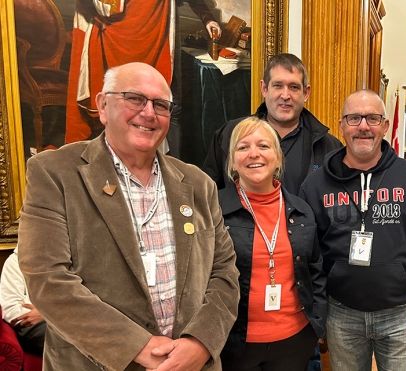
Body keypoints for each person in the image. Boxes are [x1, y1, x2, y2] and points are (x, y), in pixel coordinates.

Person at [17, 62, 240, 371]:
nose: (149, 113)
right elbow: (47, 280)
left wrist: (200, 342)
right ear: (102, 106)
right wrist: (137, 345)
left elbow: (224, 272)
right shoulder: (55, 173)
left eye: (161, 105)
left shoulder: (198, 184)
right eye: (135, 98)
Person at [300, 89, 406, 371]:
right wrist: (317, 311)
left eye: (372, 118)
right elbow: (309, 255)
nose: (364, 126)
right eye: (354, 118)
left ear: (385, 125)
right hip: (342, 313)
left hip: (401, 314)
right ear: (342, 125)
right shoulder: (316, 185)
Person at [219, 117, 326, 370]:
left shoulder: (301, 211)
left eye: (264, 146)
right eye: (243, 147)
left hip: (294, 341)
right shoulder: (214, 209)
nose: (253, 154)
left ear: (278, 157)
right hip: (234, 343)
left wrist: (317, 324)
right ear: (232, 161)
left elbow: (316, 270)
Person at [65, 0, 221, 143]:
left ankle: (168, 169)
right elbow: (105, 8)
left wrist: (207, 17)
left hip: (161, 39)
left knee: (169, 109)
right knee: (118, 112)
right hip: (116, 42)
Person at [203, 53, 342, 195]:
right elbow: (208, 197)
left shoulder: (330, 147)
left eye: (294, 87)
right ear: (264, 88)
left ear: (306, 93)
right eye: (278, 86)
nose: (285, 96)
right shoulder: (229, 134)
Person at [0, 251, 46, 356]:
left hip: (63, 319)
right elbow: (10, 308)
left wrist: (48, 314)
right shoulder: (14, 262)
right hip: (31, 324)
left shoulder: (72, 261)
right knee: (64, 338)